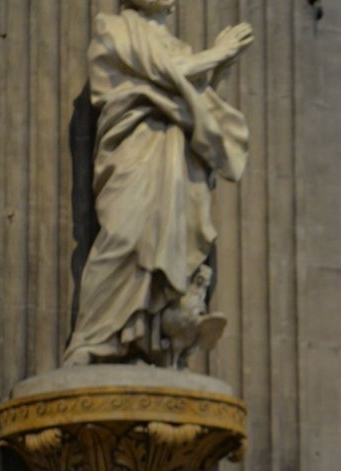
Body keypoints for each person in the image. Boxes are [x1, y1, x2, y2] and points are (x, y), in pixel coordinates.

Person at [63, 0, 253, 367]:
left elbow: (204, 108)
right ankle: (93, 336)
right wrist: (217, 54)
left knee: (170, 242)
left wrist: (222, 68)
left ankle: (156, 339)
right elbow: (165, 76)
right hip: (134, 150)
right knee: (124, 236)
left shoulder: (180, 49)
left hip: (177, 163)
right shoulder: (112, 29)